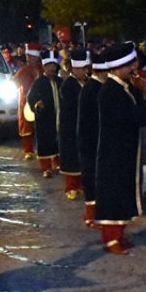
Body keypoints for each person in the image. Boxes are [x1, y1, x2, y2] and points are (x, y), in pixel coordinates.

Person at [93, 42, 146, 255]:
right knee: (113, 195)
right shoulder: (109, 91)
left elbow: (138, 112)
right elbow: (131, 118)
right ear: (118, 67)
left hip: (126, 152)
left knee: (123, 193)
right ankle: (111, 240)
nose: (134, 69)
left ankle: (120, 234)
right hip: (114, 153)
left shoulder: (126, 88)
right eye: (130, 65)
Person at [77, 50, 110, 227]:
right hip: (91, 142)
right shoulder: (94, 89)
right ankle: (91, 216)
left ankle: (94, 215)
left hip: (91, 141)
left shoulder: (93, 87)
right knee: (93, 180)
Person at [58, 48, 90, 199]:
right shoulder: (68, 85)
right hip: (71, 128)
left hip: (86, 128)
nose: (83, 72)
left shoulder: (89, 83)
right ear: (73, 69)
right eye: (79, 69)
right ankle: (71, 187)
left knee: (85, 158)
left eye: (85, 68)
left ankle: (84, 185)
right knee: (72, 158)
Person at [25, 49, 62, 178]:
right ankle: (46, 168)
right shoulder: (39, 82)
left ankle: (58, 163)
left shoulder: (60, 81)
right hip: (44, 118)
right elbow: (31, 98)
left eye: (54, 65)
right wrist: (37, 105)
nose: (52, 68)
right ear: (44, 67)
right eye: (49, 66)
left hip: (58, 117)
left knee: (58, 140)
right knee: (45, 141)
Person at [13, 45, 41, 160]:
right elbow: (14, 83)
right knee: (26, 126)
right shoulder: (23, 70)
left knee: (42, 127)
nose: (28, 58)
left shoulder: (42, 69)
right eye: (27, 56)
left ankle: (44, 152)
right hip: (26, 102)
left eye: (30, 56)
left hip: (41, 101)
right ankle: (28, 150)